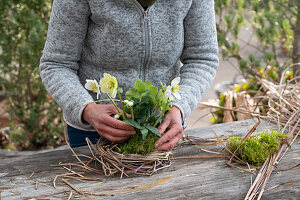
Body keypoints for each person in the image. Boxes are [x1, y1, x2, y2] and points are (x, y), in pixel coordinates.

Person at [39, 0, 219, 151]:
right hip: (93, 133)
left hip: (161, 131)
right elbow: (56, 64)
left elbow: (202, 58)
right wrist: (86, 109)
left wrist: (180, 107)